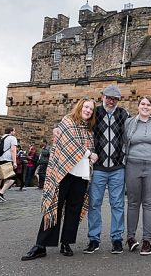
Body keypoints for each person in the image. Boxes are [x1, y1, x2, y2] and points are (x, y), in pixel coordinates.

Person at [21, 98, 99, 261]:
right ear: (80, 107)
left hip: (81, 175)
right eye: (86, 107)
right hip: (64, 172)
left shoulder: (89, 130)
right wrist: (89, 154)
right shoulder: (67, 121)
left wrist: (93, 156)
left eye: (91, 109)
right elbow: (70, 143)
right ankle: (41, 245)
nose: (88, 111)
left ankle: (66, 242)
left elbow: (89, 149)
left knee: (74, 210)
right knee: (54, 206)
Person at [83, 84, 130, 254]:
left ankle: (117, 239)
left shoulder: (123, 114)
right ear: (103, 97)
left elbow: (134, 131)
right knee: (94, 204)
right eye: (109, 98)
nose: (111, 101)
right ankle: (94, 239)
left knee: (117, 204)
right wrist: (59, 127)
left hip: (117, 167)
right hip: (98, 167)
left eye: (115, 99)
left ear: (118, 100)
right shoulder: (95, 112)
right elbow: (77, 121)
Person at [123, 96, 151, 256]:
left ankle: (147, 240)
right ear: (138, 106)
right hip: (133, 164)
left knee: (149, 203)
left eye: (148, 105)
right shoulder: (129, 123)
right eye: (142, 104)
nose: (145, 107)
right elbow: (124, 142)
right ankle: (130, 238)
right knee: (133, 202)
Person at [0, 127, 19, 202]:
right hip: (5, 160)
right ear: (11, 132)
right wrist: (15, 162)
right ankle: (1, 193)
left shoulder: (1, 138)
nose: (15, 132)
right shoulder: (12, 138)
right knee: (12, 178)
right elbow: (13, 150)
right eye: (14, 131)